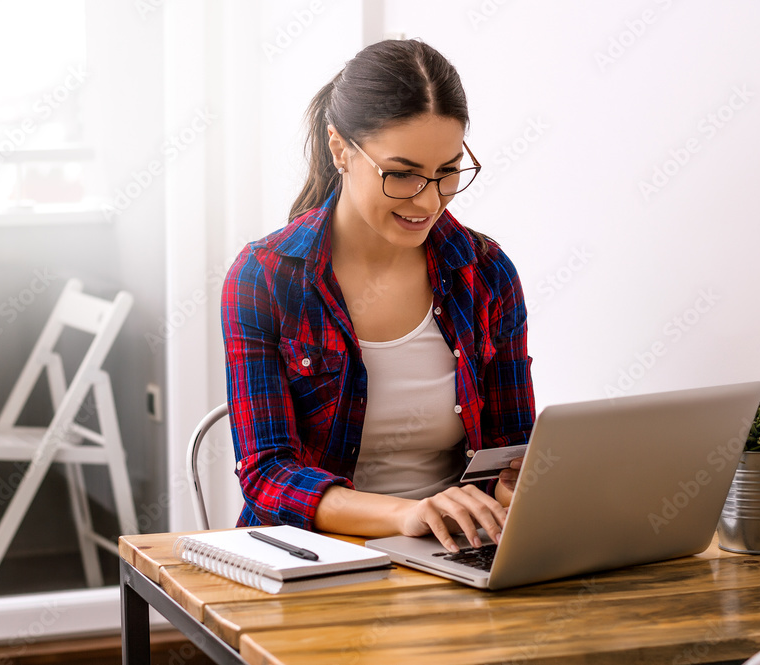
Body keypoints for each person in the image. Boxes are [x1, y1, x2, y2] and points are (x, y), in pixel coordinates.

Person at [221, 39, 535, 552]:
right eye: (402, 173)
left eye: (448, 171)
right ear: (340, 149)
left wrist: (513, 487)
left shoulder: (486, 272)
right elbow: (266, 474)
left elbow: (510, 450)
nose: (428, 200)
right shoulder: (265, 278)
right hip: (312, 556)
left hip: (455, 551)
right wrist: (408, 515)